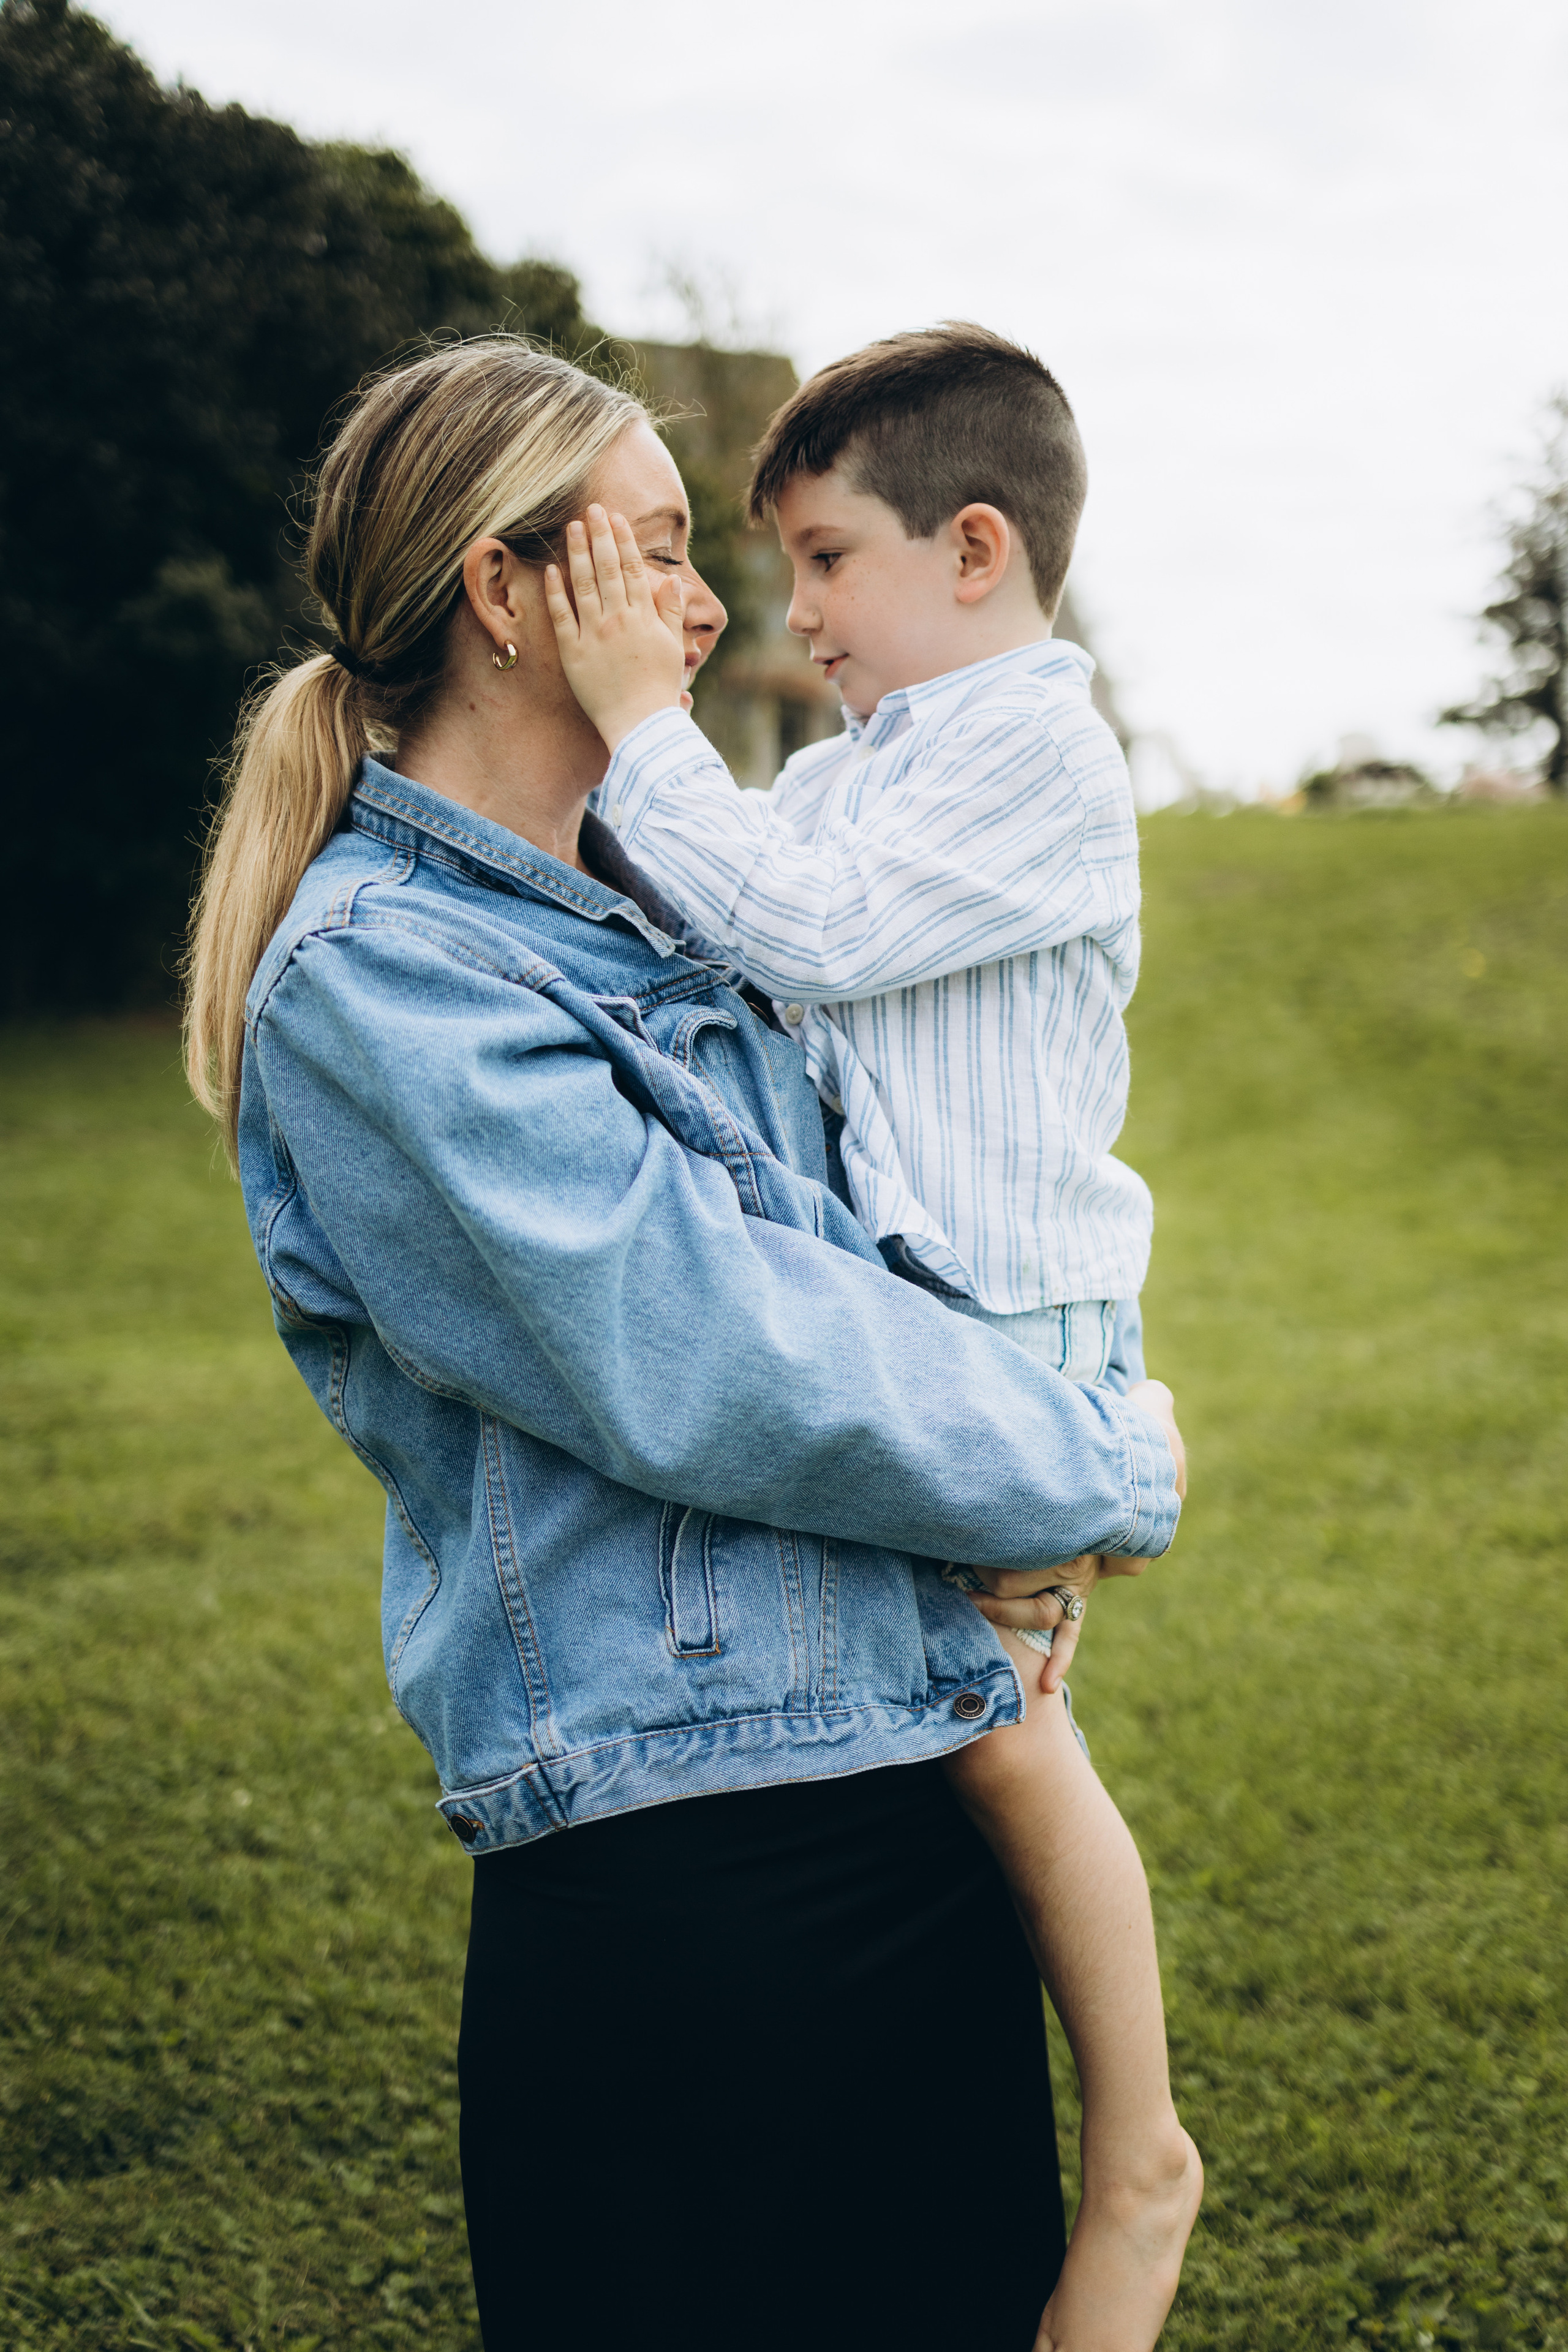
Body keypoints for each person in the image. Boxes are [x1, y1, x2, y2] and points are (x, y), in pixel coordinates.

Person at [183, 336, 1185, 2352]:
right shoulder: (384, 985)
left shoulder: (659, 913)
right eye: (656, 547)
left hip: (892, 1790)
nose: (721, 602)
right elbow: (726, 1350)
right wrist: (1107, 1457)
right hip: (695, 1891)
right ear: (504, 591)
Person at [545, 322, 1204, 2352]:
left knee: (1001, 1732)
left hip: (1006, 1333)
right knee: (951, 1743)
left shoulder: (1037, 755)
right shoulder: (879, 762)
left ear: (976, 549)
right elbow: (730, 910)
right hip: (915, 1321)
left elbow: (805, 937)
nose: (794, 611)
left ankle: (1142, 2166)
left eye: (825, 560)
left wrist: (636, 717)